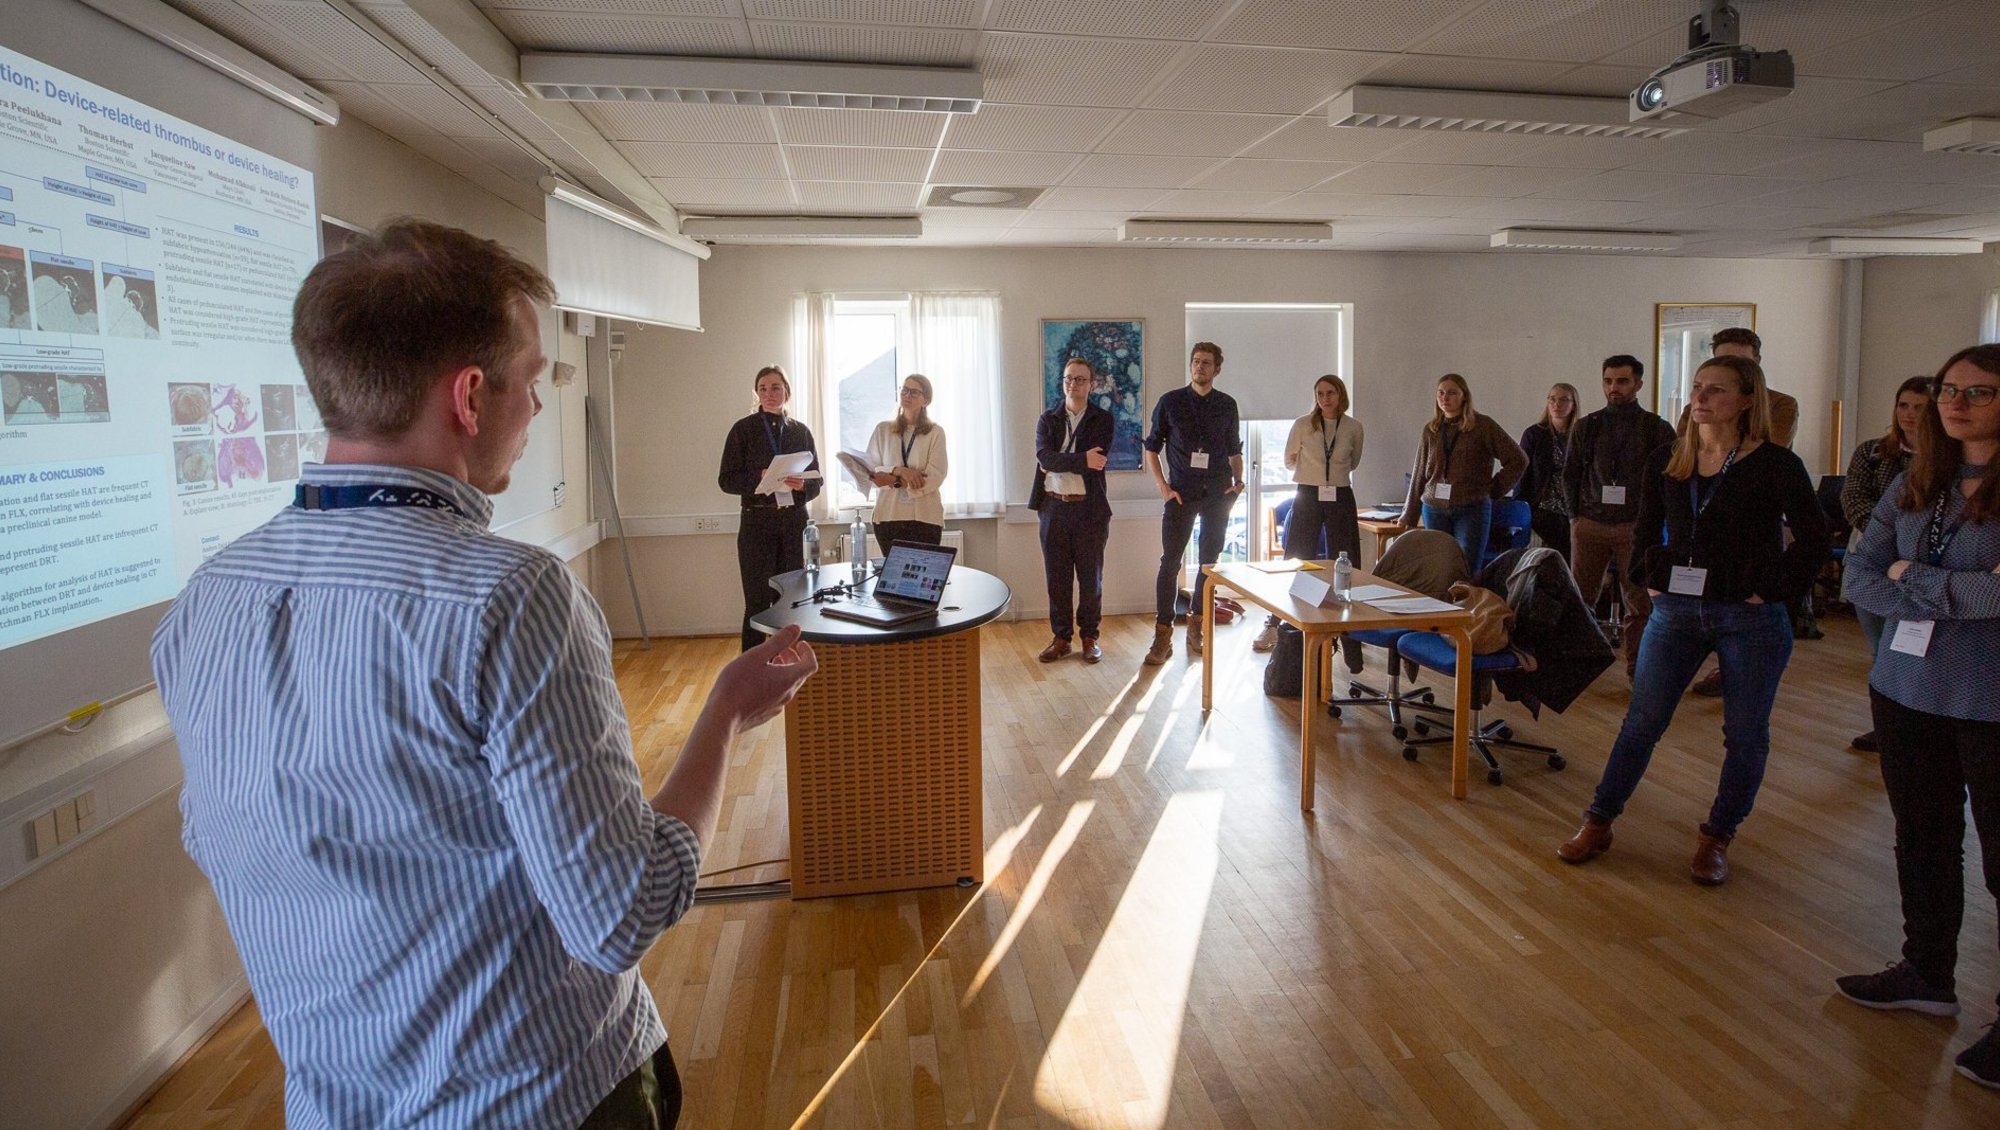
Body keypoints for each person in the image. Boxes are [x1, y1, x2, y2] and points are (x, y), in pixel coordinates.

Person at [150, 219, 819, 1128]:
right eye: (535, 379)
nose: (539, 406)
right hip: (544, 1098)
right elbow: (622, 914)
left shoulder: (205, 603)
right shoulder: (509, 598)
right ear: (469, 396)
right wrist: (726, 717)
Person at [1556, 354, 1828, 886]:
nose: (1700, 398)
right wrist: (1649, 576)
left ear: (1748, 400)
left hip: (1748, 619)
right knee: (1642, 722)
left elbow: (1814, 540)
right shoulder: (1670, 459)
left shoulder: (1775, 464)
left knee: (1745, 735)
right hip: (1678, 611)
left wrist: (1769, 589)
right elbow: (1646, 527)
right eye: (1697, 388)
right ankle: (1599, 820)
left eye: (1716, 391)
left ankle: (1717, 835)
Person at [1833, 344, 2000, 1089]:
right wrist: (1949, 586)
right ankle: (1926, 973)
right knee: (1922, 837)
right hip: (1904, 689)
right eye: (1948, 389)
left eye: (1981, 391)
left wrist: (1908, 575)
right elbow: (1857, 573)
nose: (1957, 402)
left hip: (1988, 699)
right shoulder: (1915, 479)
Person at [1564, 355, 1677, 677]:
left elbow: (1669, 480)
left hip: (1635, 528)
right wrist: (1575, 517)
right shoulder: (1588, 425)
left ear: (1638, 384)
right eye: (1608, 381)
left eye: (1622, 381)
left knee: (1639, 602)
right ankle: (1577, 666)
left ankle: (1637, 670)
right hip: (1589, 524)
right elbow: (1570, 475)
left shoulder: (1657, 428)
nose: (1614, 388)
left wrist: (1653, 522)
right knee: (1581, 599)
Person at [1839, 375, 1932, 752]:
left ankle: (1926, 725)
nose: (1909, 414)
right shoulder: (1873, 452)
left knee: (1922, 648)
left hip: (1920, 567)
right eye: (1903, 405)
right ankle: (1887, 726)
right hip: (1873, 561)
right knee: (1882, 649)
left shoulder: (1946, 458)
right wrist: (1887, 537)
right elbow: (1854, 498)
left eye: (1920, 408)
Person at [1144, 341, 1244, 665]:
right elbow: (1151, 448)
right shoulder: (1170, 402)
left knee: (1208, 565)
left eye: (1206, 363)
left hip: (1217, 494)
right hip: (1180, 493)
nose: (1200, 367)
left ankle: (1196, 629)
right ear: (1190, 366)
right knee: (1169, 563)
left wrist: (1238, 482)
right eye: (1196, 361)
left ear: (1217, 369)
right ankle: (1162, 636)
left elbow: (1234, 449)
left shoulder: (1227, 405)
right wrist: (1162, 486)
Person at [1255, 374, 1364, 653]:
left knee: (1345, 557)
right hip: (1307, 493)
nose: (1325, 398)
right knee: (1296, 555)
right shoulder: (1303, 425)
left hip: (1339, 493)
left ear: (1341, 395)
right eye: (1320, 393)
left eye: (1330, 393)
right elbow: (1289, 459)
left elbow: (1354, 461)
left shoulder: (1353, 427)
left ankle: (1348, 630)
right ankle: (1278, 623)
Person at [719, 365, 821, 650]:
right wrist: (759, 476)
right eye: (762, 388)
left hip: (793, 523)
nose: (769, 393)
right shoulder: (743, 429)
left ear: (786, 391)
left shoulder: (800, 431)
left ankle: (790, 664)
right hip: (757, 524)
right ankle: (751, 672)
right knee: (756, 602)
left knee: (792, 600)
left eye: (775, 387)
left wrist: (803, 487)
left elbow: (817, 481)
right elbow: (726, 480)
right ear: (756, 393)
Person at [1030, 357, 1113, 663]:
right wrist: (1079, 459)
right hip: (1053, 508)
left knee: (1091, 579)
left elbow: (1097, 463)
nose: (1073, 384)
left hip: (1089, 511)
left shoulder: (1102, 420)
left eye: (1080, 379)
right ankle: (1061, 638)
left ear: (1091, 384)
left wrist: (1059, 459)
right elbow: (1045, 458)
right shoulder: (1047, 418)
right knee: (1057, 579)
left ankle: (1089, 637)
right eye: (1068, 378)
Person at [1399, 373, 1526, 572]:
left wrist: (1493, 489)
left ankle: (1466, 603)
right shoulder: (1431, 430)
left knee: (1466, 567)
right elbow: (1419, 474)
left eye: (1451, 393)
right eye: (1440, 393)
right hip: (1434, 508)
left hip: (1471, 508)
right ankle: (1440, 603)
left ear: (1464, 396)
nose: (1445, 398)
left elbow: (1518, 460)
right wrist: (1410, 514)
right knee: (1437, 567)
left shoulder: (1483, 426)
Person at [865, 372, 949, 547]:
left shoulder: (935, 433)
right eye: (904, 390)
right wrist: (901, 471)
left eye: (914, 392)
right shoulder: (883, 429)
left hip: (925, 517)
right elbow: (871, 472)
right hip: (889, 515)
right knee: (892, 574)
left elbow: (935, 476)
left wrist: (893, 481)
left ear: (925, 400)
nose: (906, 395)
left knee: (925, 573)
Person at [1514, 381, 1578, 564]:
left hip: (1571, 508)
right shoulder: (1534, 434)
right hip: (1542, 506)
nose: (1557, 404)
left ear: (1573, 404)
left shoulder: (1579, 435)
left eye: (1563, 400)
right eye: (1552, 399)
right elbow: (1522, 471)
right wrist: (1523, 506)